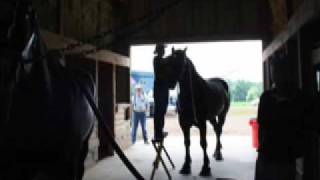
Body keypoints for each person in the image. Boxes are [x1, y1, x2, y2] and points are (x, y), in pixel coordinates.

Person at [255, 54, 307, 180]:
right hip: (271, 155)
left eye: (277, 72)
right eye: (274, 72)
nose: (275, 76)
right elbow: (262, 124)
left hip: (283, 157)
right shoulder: (268, 97)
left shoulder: (297, 97)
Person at [153, 43, 169, 141]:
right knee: (159, 111)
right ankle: (158, 133)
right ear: (159, 51)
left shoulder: (162, 60)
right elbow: (164, 63)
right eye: (163, 49)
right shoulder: (156, 60)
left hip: (163, 88)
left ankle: (160, 131)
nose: (164, 51)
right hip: (160, 88)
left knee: (162, 110)